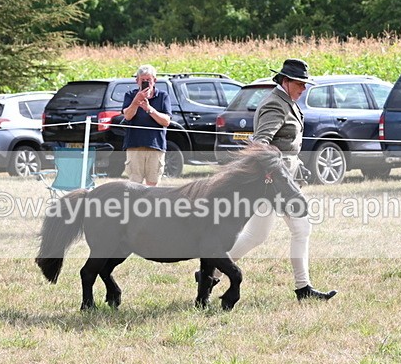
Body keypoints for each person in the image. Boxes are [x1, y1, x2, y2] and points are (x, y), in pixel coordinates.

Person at [203, 59, 337, 301]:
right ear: (285, 81)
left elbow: (285, 144)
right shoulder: (275, 104)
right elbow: (261, 143)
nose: (303, 88)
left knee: (256, 236)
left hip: (281, 178)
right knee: (301, 228)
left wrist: (296, 164)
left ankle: (211, 273)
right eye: (300, 83)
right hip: (275, 182)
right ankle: (303, 288)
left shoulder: (287, 102)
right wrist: (277, 171)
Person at [121, 64, 172, 186]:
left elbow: (166, 121)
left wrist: (149, 109)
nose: (146, 83)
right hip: (134, 145)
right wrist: (136, 101)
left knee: (152, 185)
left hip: (155, 146)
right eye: (142, 80)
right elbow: (127, 116)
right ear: (137, 81)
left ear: (155, 80)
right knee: (134, 185)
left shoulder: (163, 96)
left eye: (148, 80)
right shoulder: (130, 95)